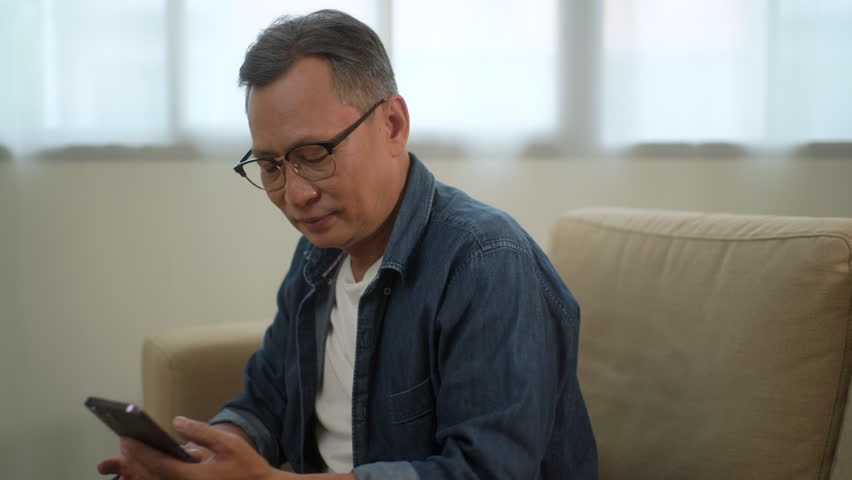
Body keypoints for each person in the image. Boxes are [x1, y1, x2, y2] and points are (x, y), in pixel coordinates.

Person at [98, 9, 597, 480]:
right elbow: (270, 397)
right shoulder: (319, 254)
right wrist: (207, 454)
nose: (295, 195)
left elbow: (486, 471)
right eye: (270, 166)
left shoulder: (486, 263)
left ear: (393, 125)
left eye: (314, 155)